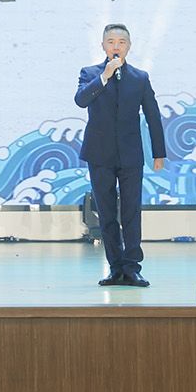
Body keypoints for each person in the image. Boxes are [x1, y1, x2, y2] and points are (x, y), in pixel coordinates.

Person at [74, 23, 166, 287]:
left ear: (129, 46)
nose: (116, 46)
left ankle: (132, 268)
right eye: (111, 42)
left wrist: (159, 152)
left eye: (121, 42)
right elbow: (81, 100)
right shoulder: (90, 73)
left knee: (131, 212)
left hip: (130, 155)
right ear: (103, 46)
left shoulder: (140, 77)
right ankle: (115, 267)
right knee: (106, 213)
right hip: (99, 154)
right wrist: (104, 77)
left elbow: (152, 116)